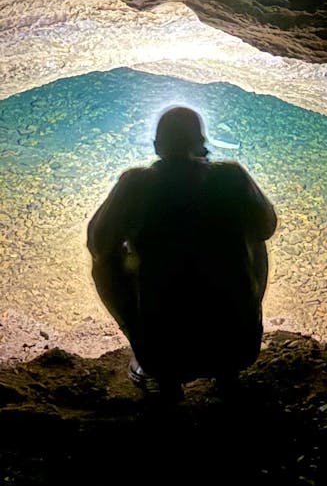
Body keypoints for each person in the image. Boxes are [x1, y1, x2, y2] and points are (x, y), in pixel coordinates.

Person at [87, 105, 277, 399]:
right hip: (237, 348)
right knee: (255, 238)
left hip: (164, 353)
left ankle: (155, 364)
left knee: (105, 260)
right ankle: (229, 365)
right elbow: (266, 226)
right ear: (201, 142)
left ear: (157, 147)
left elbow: (98, 243)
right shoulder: (232, 176)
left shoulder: (135, 184)